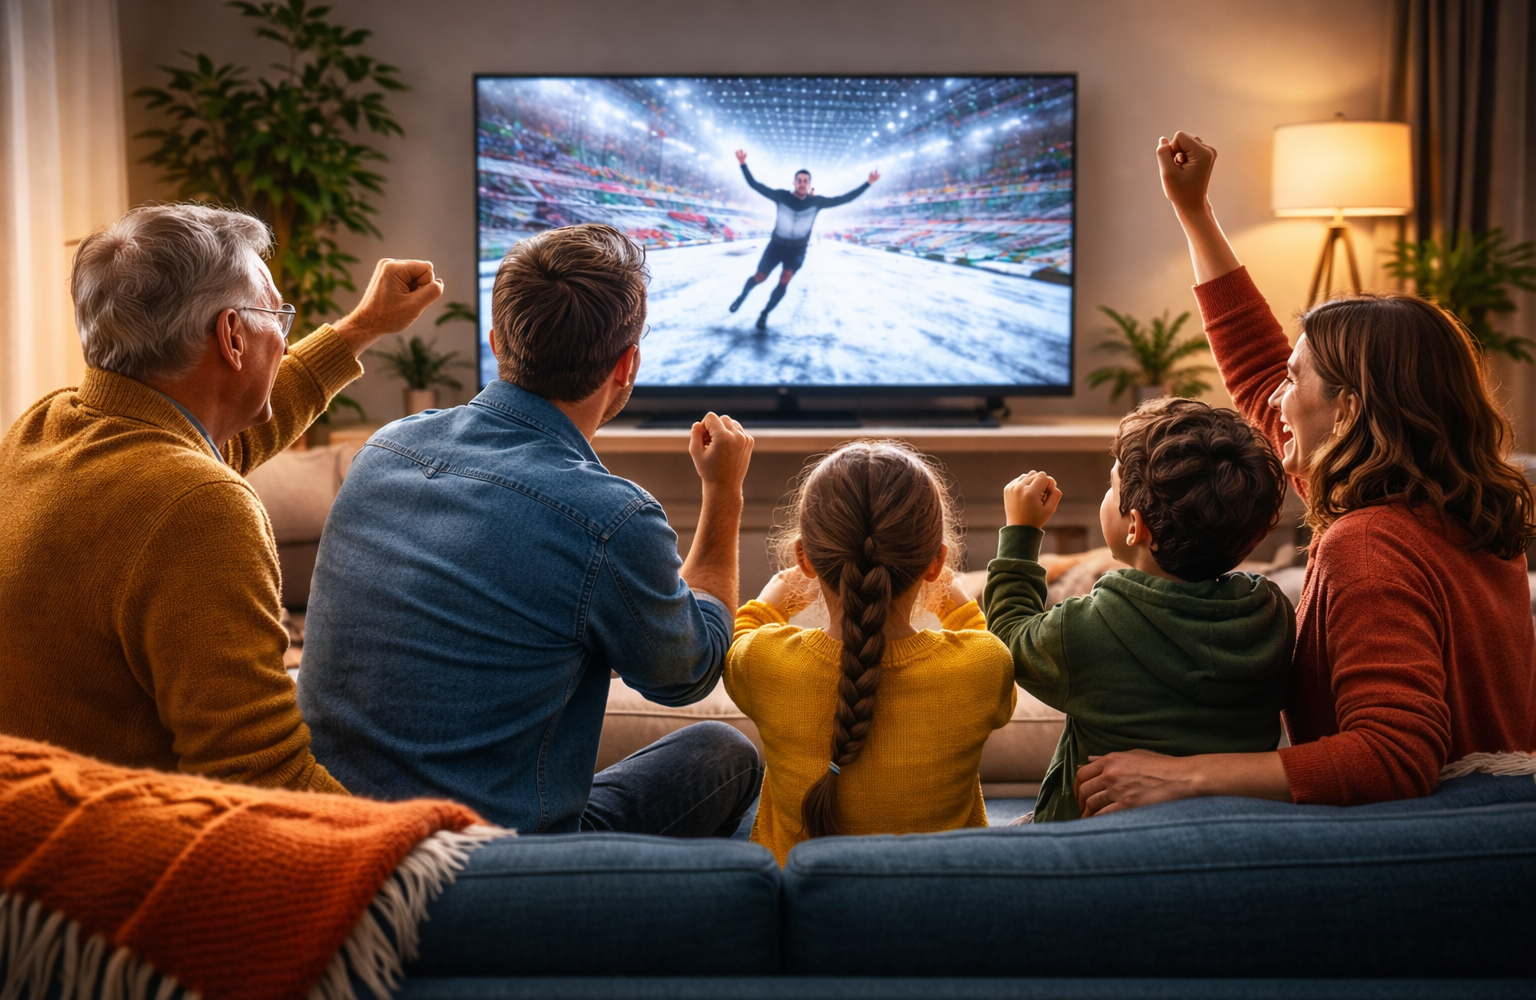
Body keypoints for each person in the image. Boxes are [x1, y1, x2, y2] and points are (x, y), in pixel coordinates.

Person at [1075, 132, 1536, 815]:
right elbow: (1257, 368)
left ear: (1348, 412)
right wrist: (1194, 211)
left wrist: (1187, 775)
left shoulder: (1368, 544)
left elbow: (1395, 755)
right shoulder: (1449, 512)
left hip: (1429, 835)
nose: (1273, 404)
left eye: (1296, 381)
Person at [298, 223, 762, 836]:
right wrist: (724, 493)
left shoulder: (384, 448)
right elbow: (690, 673)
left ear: (497, 342)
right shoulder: (610, 519)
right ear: (627, 367)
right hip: (488, 865)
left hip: (334, 836)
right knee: (727, 755)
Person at [0, 203, 442, 790]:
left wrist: (361, 327)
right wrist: (437, 847)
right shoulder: (197, 503)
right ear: (233, 336)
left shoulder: (48, 426)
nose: (283, 343)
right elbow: (263, 777)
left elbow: (217, 436)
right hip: (135, 858)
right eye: (277, 320)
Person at [984, 398, 1293, 823]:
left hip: (1093, 841)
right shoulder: (1273, 616)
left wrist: (1021, 531)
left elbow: (1008, 640)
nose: (1108, 493)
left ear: (1136, 525)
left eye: (1112, 487)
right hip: (1227, 829)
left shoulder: (1086, 630)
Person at [724, 442, 1015, 864]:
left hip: (799, 912)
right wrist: (957, 604)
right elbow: (989, 652)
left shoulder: (763, 662)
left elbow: (739, 638)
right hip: (947, 909)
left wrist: (772, 600)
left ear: (805, 558)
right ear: (936, 564)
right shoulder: (983, 665)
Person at [728, 150, 880, 329]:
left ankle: (765, 313)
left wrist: (867, 184)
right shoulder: (781, 196)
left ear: (809, 185)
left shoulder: (817, 202)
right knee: (760, 277)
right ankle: (743, 295)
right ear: (794, 183)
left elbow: (844, 199)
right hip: (776, 246)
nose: (802, 184)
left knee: (785, 279)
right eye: (799, 180)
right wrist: (743, 164)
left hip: (797, 250)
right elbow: (755, 185)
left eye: (805, 181)